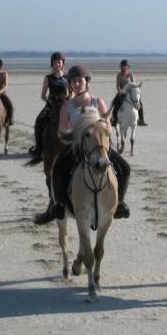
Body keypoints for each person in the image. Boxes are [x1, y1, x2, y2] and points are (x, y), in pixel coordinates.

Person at [49, 64, 130, 220]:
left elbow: (108, 125)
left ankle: (120, 203)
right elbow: (60, 131)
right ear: (70, 85)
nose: (77, 84)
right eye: (74, 82)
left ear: (87, 81)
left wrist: (103, 132)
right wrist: (72, 137)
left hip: (99, 146)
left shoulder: (97, 102)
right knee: (58, 167)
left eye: (80, 80)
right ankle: (58, 204)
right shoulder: (68, 107)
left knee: (125, 168)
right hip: (77, 148)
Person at [28, 51, 70, 163]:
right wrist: (49, 101)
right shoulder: (48, 78)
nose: (58, 64)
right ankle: (39, 149)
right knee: (39, 120)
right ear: (52, 64)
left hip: (65, 104)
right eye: (55, 62)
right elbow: (42, 95)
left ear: (63, 64)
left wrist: (69, 100)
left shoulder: (68, 77)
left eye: (59, 62)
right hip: (52, 105)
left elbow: (72, 92)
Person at [111, 59, 148, 127]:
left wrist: (135, 89)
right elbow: (118, 86)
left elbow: (133, 85)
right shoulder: (119, 75)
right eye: (123, 66)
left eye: (126, 66)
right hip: (122, 91)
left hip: (130, 92)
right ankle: (114, 120)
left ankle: (141, 120)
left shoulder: (131, 75)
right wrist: (119, 92)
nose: (124, 67)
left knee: (140, 103)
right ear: (121, 67)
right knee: (115, 103)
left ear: (128, 67)